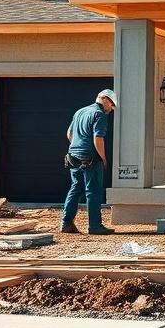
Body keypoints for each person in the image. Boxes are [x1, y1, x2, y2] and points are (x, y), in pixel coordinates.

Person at [60, 88, 117, 235]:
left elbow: (69, 134)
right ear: (105, 99)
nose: (111, 110)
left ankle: (66, 223)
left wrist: (78, 146)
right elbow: (98, 139)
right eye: (112, 106)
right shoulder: (99, 114)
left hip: (73, 156)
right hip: (90, 159)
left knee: (75, 189)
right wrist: (103, 158)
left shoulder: (80, 111)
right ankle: (95, 226)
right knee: (93, 192)